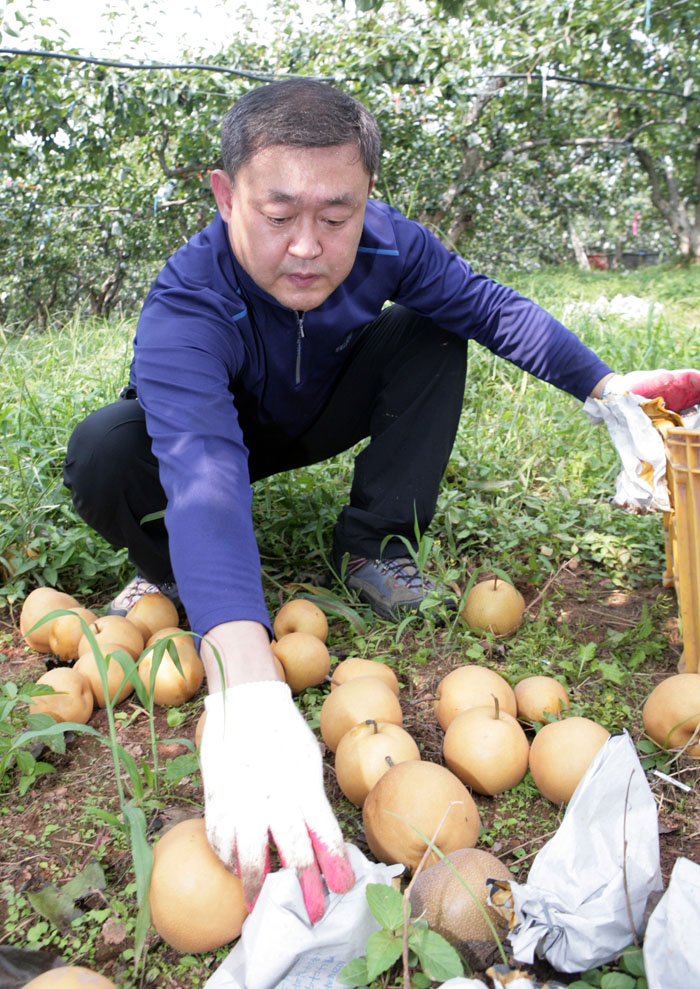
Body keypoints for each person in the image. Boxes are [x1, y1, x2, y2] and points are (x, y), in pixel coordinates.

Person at [63, 79, 700, 923]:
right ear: (225, 197)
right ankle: (175, 580)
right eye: (278, 212)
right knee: (105, 448)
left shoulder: (388, 245)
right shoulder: (187, 299)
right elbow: (202, 466)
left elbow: (488, 305)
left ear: (368, 197)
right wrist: (247, 679)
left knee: (439, 325)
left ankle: (375, 543)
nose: (307, 246)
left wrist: (601, 383)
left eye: (337, 214)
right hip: (215, 426)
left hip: (320, 408)